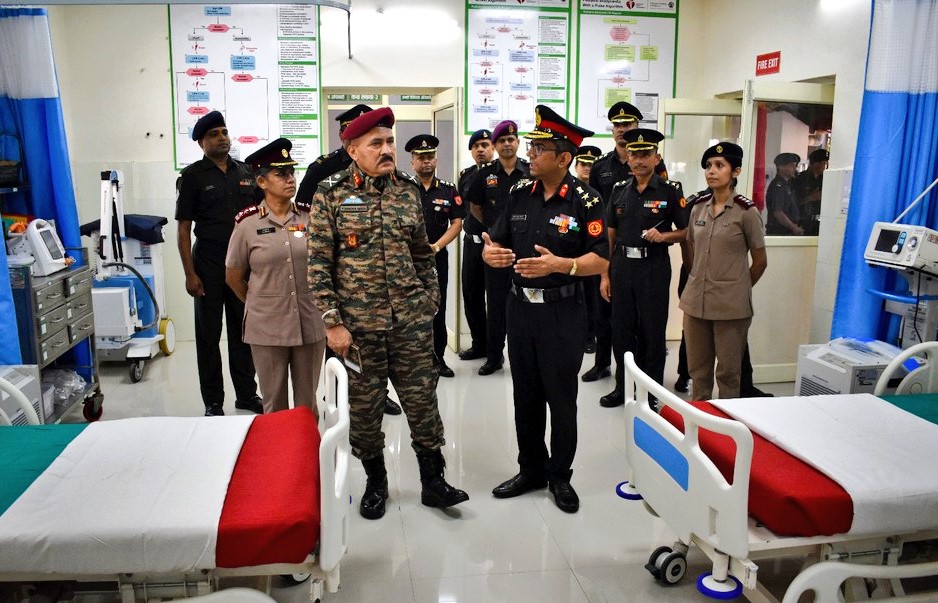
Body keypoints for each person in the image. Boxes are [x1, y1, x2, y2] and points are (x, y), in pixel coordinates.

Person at [307, 107, 469, 520]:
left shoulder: (407, 190)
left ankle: (433, 482)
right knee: (365, 412)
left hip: (410, 323)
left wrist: (430, 301)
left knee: (423, 403)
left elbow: (422, 253)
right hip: (358, 329)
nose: (386, 150)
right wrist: (333, 323)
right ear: (352, 150)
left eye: (390, 142)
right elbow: (319, 264)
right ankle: (376, 483)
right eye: (376, 143)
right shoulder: (331, 193)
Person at [483, 105, 607, 514]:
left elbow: (601, 259)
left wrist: (561, 265)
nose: (530, 154)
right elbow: (496, 242)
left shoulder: (587, 200)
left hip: (563, 313)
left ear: (564, 157)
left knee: (561, 397)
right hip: (520, 311)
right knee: (526, 395)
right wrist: (490, 254)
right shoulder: (520, 193)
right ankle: (531, 469)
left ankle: (560, 476)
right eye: (531, 148)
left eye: (539, 149)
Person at [295, 104, 402, 416]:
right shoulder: (324, 168)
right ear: (345, 135)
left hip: (378, 280)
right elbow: (304, 211)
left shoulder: (386, 168)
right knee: (339, 343)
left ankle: (379, 395)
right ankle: (336, 397)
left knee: (376, 347)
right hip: (339, 271)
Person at [225, 138, 327, 414]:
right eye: (281, 174)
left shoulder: (309, 218)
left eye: (291, 172)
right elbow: (233, 277)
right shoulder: (247, 224)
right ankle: (279, 445)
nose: (290, 179)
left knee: (307, 403)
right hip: (267, 327)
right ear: (262, 182)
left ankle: (307, 443)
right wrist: (260, 303)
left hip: (308, 322)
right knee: (274, 405)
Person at [175, 110, 262, 417]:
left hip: (242, 265)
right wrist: (190, 274)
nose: (222, 138)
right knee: (208, 336)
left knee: (243, 332)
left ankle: (246, 395)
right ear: (201, 142)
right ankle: (213, 401)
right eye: (214, 134)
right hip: (208, 263)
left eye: (224, 132)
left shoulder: (246, 172)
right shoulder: (193, 177)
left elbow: (261, 217)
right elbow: (183, 229)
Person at [599, 128, 687, 408]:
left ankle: (651, 393)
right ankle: (622, 386)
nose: (638, 160)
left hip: (653, 267)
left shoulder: (670, 190)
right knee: (622, 330)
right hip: (622, 266)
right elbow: (610, 235)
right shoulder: (619, 190)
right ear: (628, 158)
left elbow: (686, 231)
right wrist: (605, 274)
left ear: (656, 158)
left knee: (652, 330)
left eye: (645, 154)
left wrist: (665, 236)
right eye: (634, 154)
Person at [584, 103, 671, 385]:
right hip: (609, 248)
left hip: (648, 259)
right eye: (618, 125)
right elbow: (593, 206)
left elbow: (666, 211)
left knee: (647, 325)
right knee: (607, 316)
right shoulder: (601, 166)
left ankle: (647, 383)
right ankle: (604, 366)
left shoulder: (657, 171)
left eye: (628, 125)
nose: (622, 129)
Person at [680, 143, 767, 400]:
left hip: (731, 307)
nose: (711, 171)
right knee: (698, 371)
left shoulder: (746, 212)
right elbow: (691, 248)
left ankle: (726, 422)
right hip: (696, 302)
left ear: (735, 171)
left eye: (720, 165)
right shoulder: (698, 207)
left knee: (729, 374)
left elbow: (760, 261)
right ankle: (698, 419)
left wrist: (737, 288)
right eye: (708, 166)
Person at [467, 120, 531, 376]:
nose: (507, 144)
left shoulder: (530, 172)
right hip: (496, 251)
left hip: (524, 250)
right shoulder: (484, 175)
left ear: (518, 142)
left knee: (524, 304)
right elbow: (475, 206)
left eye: (511, 140)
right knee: (495, 305)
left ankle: (523, 357)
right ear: (495, 145)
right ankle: (494, 357)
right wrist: (494, 230)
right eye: (502, 140)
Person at [405, 134, 465, 378]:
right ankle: (412, 362)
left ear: (436, 160)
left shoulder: (448, 190)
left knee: (437, 308)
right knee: (409, 310)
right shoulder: (403, 189)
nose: (426, 161)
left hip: (436, 259)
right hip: (407, 261)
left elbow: (457, 223)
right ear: (412, 162)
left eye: (430, 156)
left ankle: (438, 359)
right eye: (421, 157)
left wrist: (437, 246)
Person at [458, 129, 494, 361]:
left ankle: (495, 350)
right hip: (472, 244)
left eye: (485, 145)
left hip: (496, 246)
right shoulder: (466, 175)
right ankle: (479, 344)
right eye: (476, 146)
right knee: (472, 296)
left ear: (493, 148)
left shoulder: (500, 174)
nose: (480, 149)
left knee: (496, 298)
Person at [294, 104, 372, 205]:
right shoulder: (322, 167)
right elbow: (302, 208)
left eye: (366, 134)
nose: (361, 139)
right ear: (341, 136)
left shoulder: (382, 166)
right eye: (355, 134)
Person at [766, 152, 804, 235]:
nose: (795, 168)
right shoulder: (778, 186)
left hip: (788, 230)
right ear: (781, 167)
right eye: (791, 166)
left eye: (795, 166)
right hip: (780, 231)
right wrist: (794, 228)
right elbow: (778, 212)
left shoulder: (788, 184)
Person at [794, 148, 828, 236]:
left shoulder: (825, 179)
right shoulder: (800, 179)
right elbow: (793, 203)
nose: (824, 166)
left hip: (820, 223)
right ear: (815, 163)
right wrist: (810, 198)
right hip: (804, 223)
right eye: (823, 163)